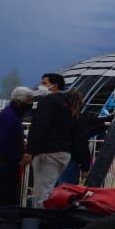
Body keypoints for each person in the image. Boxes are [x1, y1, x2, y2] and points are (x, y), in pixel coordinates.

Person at [25, 73, 74, 204]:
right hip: (63, 152)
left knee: (42, 193)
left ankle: (39, 222)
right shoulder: (66, 102)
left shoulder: (48, 101)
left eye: (44, 83)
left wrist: (30, 150)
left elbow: (40, 126)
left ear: (54, 85)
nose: (41, 86)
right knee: (49, 188)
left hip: (48, 153)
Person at [0, 87, 33, 209]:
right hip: (2, 164)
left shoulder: (9, 115)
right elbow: (4, 143)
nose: (30, 105)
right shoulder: (10, 117)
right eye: (28, 102)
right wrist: (18, 158)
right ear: (18, 101)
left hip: (1, 163)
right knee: (3, 200)